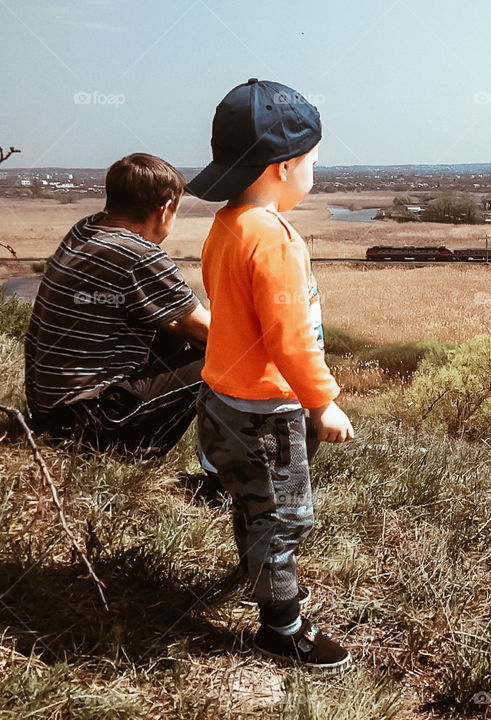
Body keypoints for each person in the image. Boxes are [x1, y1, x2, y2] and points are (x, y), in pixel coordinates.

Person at [188, 78, 355, 673]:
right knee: (285, 515)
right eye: (312, 160)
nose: (314, 170)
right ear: (284, 166)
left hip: (222, 398)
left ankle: (258, 575)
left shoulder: (227, 224)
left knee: (252, 502)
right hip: (268, 410)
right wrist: (322, 400)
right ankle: (281, 629)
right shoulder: (276, 239)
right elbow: (289, 336)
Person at [24, 153, 210, 461]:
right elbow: (207, 329)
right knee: (223, 358)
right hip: (88, 425)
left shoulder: (85, 229)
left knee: (174, 328)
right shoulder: (139, 254)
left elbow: (177, 321)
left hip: (49, 413)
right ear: (164, 210)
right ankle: (145, 457)